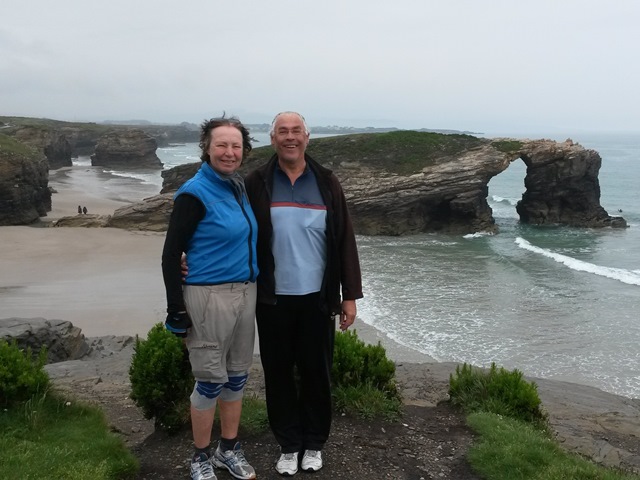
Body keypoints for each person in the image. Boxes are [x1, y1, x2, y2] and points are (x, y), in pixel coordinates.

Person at [245, 111, 363, 475]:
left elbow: (344, 239)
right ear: (273, 139)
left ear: (307, 138)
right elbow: (236, 231)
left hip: (317, 298)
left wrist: (349, 295)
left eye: (296, 131)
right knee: (278, 373)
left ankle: (313, 443)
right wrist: (193, 255)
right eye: (283, 131)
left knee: (316, 373)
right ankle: (288, 445)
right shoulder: (257, 182)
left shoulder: (326, 181)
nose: (290, 137)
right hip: (272, 299)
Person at [162, 115, 259, 480]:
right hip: (208, 297)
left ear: (244, 150)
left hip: (245, 293)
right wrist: (176, 309)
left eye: (236, 146)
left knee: (236, 376)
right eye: (221, 144)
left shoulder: (237, 187)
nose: (229, 152)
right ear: (206, 147)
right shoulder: (194, 192)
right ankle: (200, 457)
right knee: (209, 381)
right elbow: (171, 254)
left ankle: (227, 450)